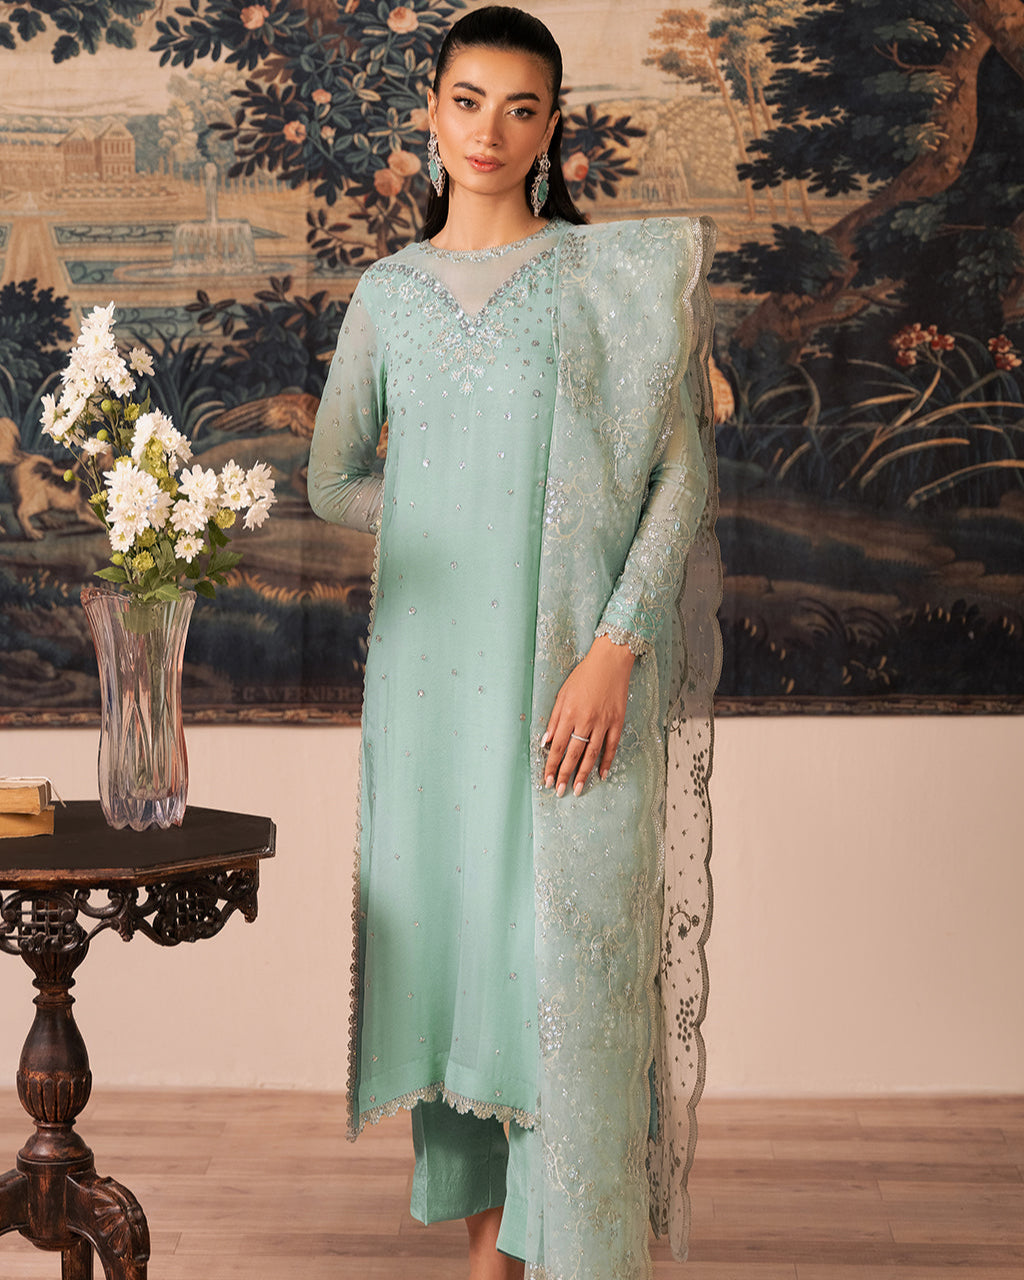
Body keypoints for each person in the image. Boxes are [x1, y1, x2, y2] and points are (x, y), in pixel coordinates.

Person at [308, 7, 720, 1279]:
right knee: (470, 967)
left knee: (565, 973)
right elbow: (332, 481)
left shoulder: (604, 280)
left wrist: (615, 646)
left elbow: (680, 481)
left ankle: (571, 1253)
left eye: (521, 107)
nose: (490, 130)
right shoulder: (388, 295)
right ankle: (492, 1256)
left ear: (551, 131)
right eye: (468, 100)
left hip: (572, 682)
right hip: (435, 688)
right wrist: (459, 519)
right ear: (430, 113)